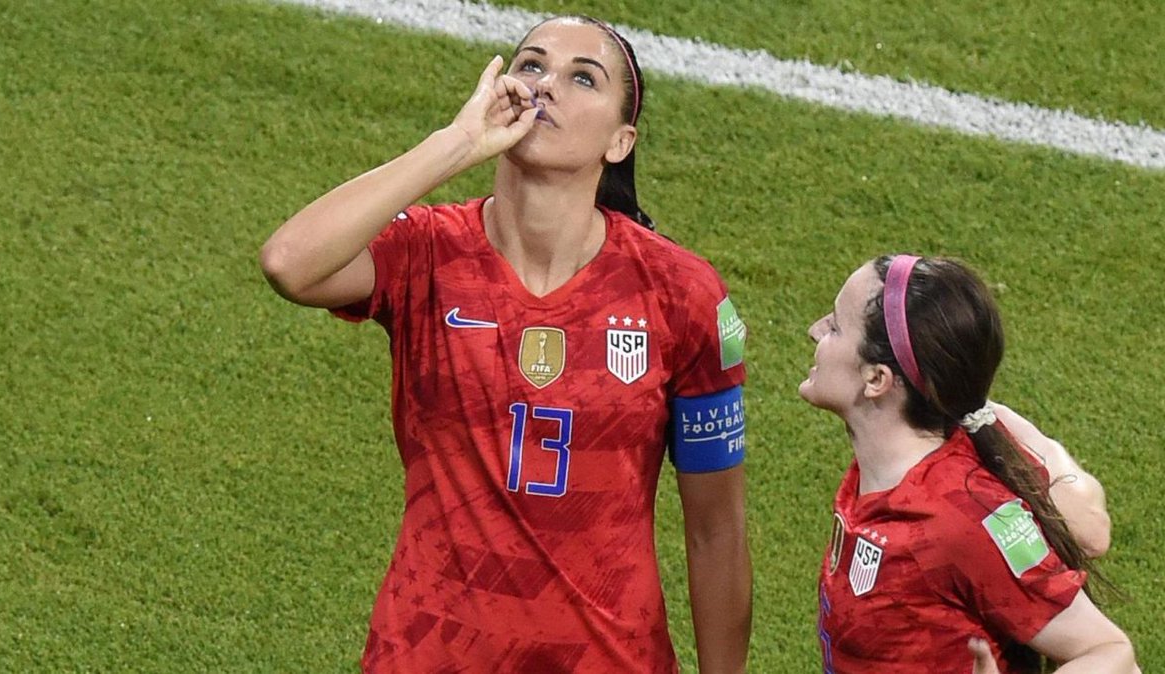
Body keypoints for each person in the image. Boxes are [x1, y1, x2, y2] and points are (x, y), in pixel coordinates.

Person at [259, 15, 751, 674]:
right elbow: (290, 263)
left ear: (619, 140)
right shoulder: (427, 251)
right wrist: (456, 143)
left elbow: (716, 532)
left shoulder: (682, 295)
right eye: (531, 65)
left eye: (584, 78)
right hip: (429, 654)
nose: (546, 86)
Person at [800, 254, 1137, 673]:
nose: (814, 331)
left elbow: (1108, 651)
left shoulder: (957, 517)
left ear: (877, 379)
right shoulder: (883, 471)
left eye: (834, 327)